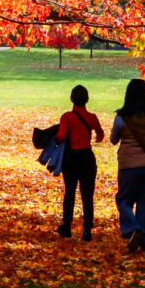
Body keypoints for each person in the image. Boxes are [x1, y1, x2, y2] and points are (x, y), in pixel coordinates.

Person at [110, 78, 145, 253]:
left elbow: (114, 139)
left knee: (123, 200)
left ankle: (133, 228)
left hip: (128, 165)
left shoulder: (121, 117)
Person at [55, 84, 104, 241]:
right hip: (87, 158)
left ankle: (67, 227)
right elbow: (100, 134)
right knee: (87, 194)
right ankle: (87, 230)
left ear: (71, 99)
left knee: (69, 192)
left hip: (71, 159)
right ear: (87, 100)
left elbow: (61, 136)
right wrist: (95, 137)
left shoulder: (66, 117)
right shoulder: (92, 118)